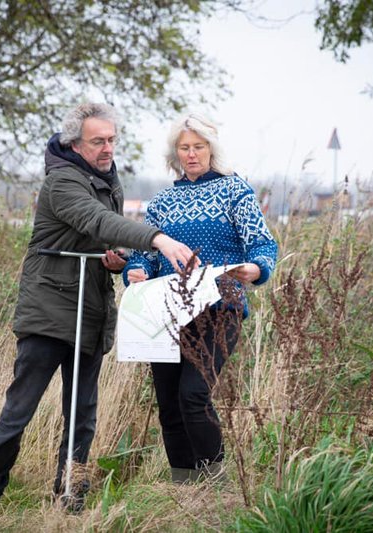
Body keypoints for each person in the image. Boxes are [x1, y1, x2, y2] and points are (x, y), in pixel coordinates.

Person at [0, 102, 197, 515]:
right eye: (98, 141)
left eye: (112, 139)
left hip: (91, 312)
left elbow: (102, 239)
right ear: (74, 144)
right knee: (20, 410)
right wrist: (158, 239)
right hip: (48, 311)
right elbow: (96, 220)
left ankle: (70, 499)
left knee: (82, 416)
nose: (107, 148)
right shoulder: (61, 183)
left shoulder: (109, 182)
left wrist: (116, 259)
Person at [122, 113, 277, 484]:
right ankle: (184, 487)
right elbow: (145, 252)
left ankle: (215, 481)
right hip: (166, 310)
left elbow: (263, 244)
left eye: (199, 147)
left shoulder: (235, 190)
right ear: (175, 153)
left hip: (220, 306)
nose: (191, 154)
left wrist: (256, 269)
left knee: (193, 394)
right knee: (169, 405)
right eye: (184, 148)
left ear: (212, 149)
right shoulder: (161, 201)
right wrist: (135, 271)